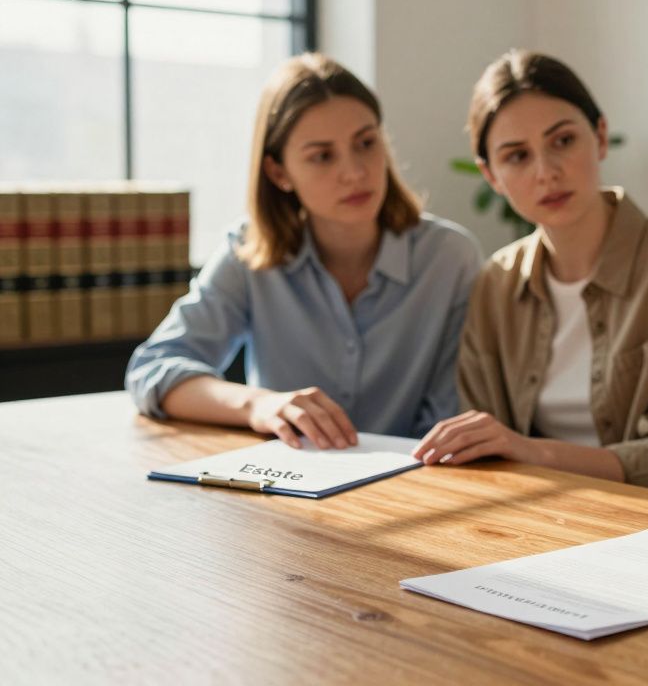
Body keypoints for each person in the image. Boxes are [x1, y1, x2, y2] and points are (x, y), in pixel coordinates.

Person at [410, 50, 648, 497]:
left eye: (563, 141)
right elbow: (481, 448)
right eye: (517, 156)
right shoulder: (497, 284)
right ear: (491, 176)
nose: (546, 171)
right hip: (529, 522)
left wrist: (531, 452)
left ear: (600, 136)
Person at [126, 53, 481, 448]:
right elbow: (153, 369)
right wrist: (258, 405)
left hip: (417, 484)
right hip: (286, 489)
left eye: (366, 143)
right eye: (322, 156)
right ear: (279, 173)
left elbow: (454, 416)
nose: (355, 172)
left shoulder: (450, 258)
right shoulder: (249, 252)